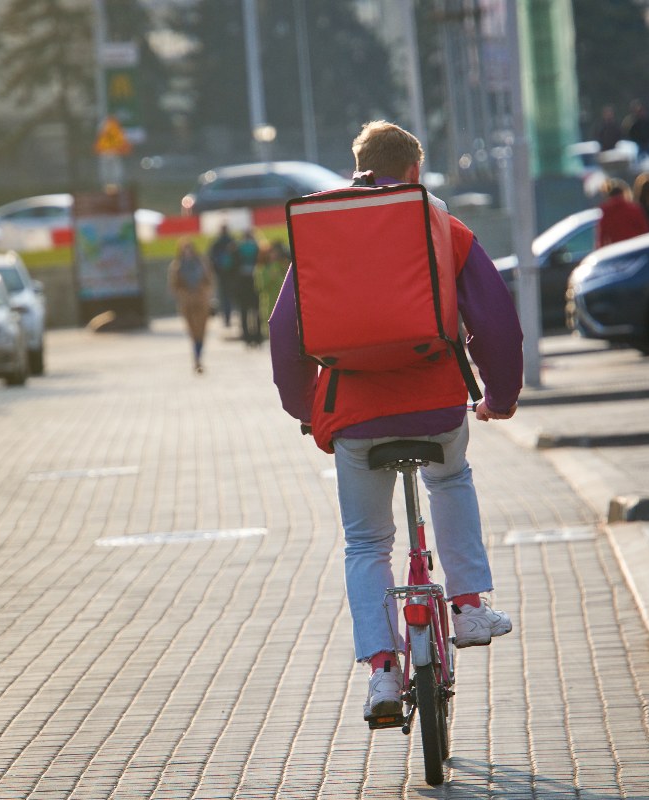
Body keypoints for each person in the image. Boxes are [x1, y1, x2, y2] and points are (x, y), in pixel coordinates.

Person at [269, 120, 523, 724]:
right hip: (435, 403)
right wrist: (499, 397)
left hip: (353, 413)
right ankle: (466, 604)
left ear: (357, 166)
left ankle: (383, 673)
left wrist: (305, 408)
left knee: (365, 543)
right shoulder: (440, 222)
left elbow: (285, 332)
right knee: (450, 479)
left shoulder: (320, 229)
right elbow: (494, 320)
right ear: (414, 172)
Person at [167, 239, 214, 373]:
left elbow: (209, 280)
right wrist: (183, 294)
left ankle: (199, 357)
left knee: (202, 331)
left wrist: (205, 292)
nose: (187, 252)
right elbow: (173, 286)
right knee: (193, 332)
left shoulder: (201, 263)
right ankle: (197, 359)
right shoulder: (177, 266)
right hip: (187, 303)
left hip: (201, 301)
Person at [596, 179, 649, 247]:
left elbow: (602, 238)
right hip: (636, 249)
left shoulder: (606, 214)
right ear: (623, 194)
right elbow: (645, 231)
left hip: (618, 252)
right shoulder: (634, 210)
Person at [234, 229, 263, 347]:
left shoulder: (237, 248)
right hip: (255, 282)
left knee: (244, 311)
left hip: (241, 283)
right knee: (257, 310)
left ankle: (246, 336)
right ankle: (258, 336)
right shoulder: (257, 247)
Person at [208, 225, 237, 327]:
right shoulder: (232, 241)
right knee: (231, 297)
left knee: (223, 297)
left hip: (221, 275)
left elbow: (210, 258)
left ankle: (226, 318)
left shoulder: (216, 243)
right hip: (231, 275)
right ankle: (230, 316)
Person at [255, 237, 289, 323]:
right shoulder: (261, 269)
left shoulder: (279, 265)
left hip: (282, 302)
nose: (274, 254)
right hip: (269, 304)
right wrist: (271, 278)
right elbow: (260, 287)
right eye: (272, 252)